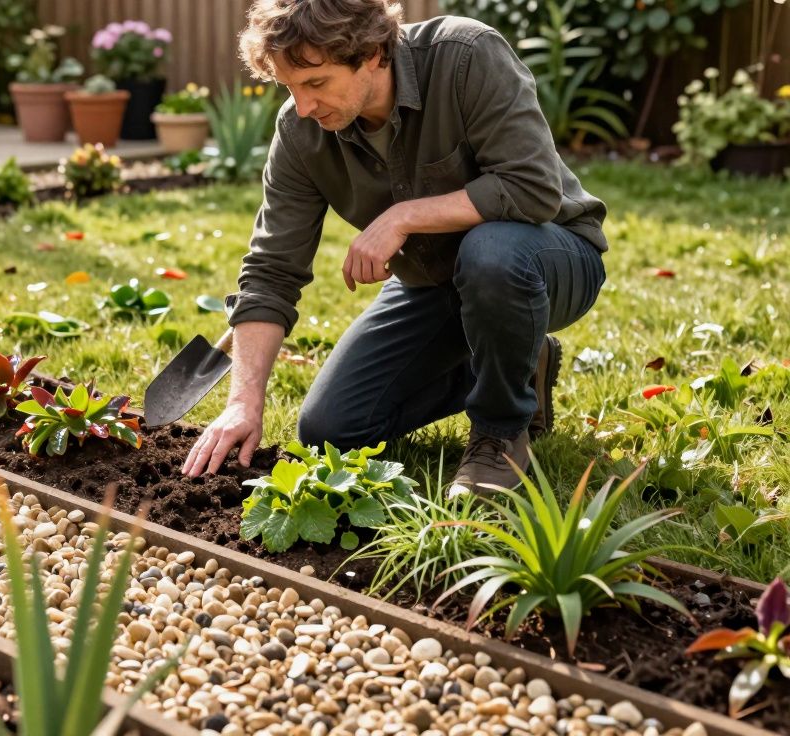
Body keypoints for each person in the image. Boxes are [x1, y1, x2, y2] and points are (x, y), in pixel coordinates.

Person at [181, 0, 608, 495]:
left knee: (492, 251)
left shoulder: (465, 56)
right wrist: (243, 401)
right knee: (331, 432)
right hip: (434, 283)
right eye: (290, 88)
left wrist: (404, 216)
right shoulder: (300, 133)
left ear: (373, 54)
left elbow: (532, 188)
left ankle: (499, 433)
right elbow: (272, 271)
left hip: (546, 258)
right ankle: (513, 361)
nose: (303, 106)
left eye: (315, 84)